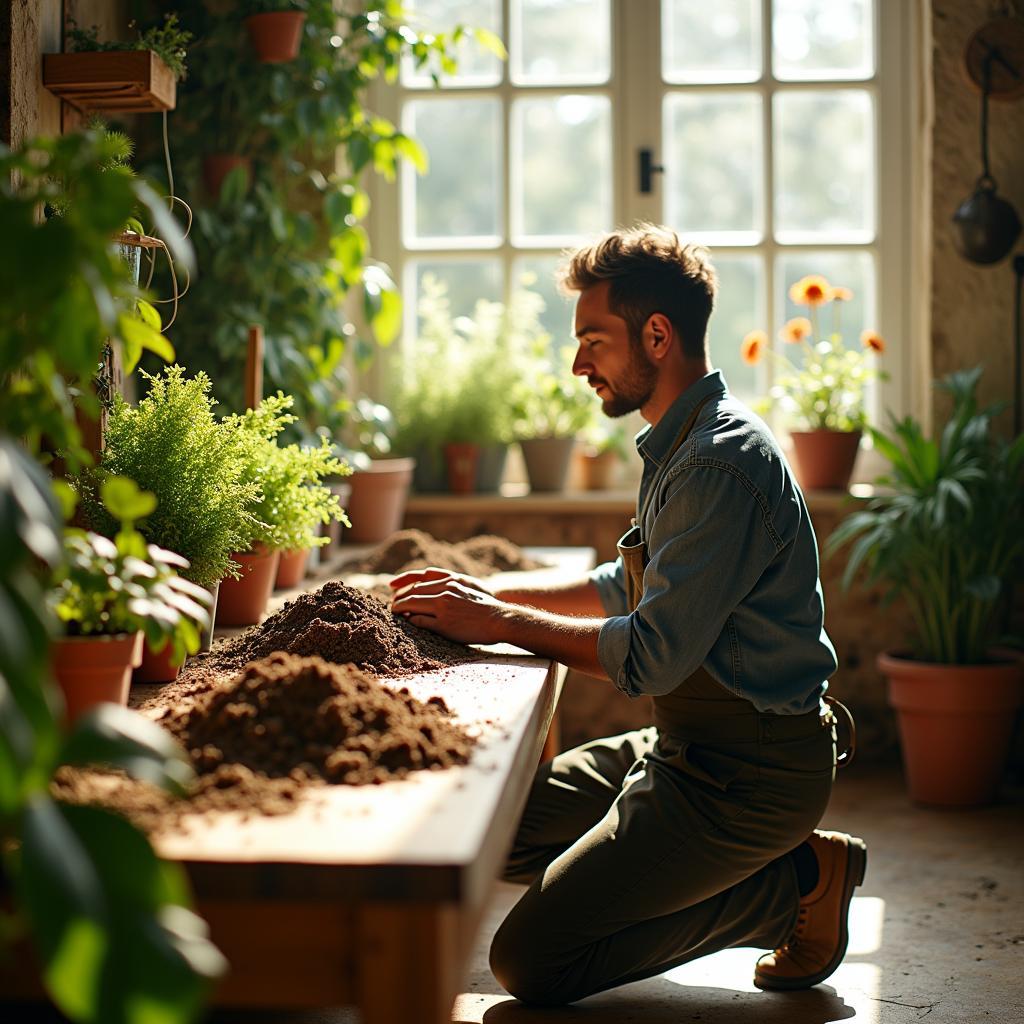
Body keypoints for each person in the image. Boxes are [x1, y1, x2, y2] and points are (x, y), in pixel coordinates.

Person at [390, 224, 867, 1007]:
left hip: (750, 771)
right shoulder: (678, 444)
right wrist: (484, 600)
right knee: (488, 831)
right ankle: (684, 860)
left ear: (656, 334)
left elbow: (650, 656)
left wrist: (499, 623)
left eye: (592, 340)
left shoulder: (719, 461)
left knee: (532, 961)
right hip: (685, 745)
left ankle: (795, 885)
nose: (578, 363)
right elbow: (624, 586)